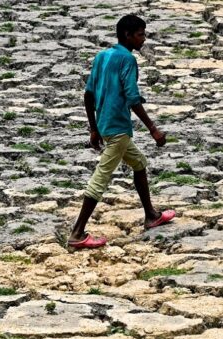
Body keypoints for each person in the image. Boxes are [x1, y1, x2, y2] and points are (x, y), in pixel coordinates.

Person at [67, 14, 176, 249]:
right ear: (127, 35)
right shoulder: (127, 59)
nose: (143, 39)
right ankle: (77, 233)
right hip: (118, 127)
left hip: (106, 126)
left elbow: (88, 94)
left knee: (139, 163)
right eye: (140, 34)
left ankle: (151, 215)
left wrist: (94, 128)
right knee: (101, 177)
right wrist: (153, 129)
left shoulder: (102, 56)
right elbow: (132, 97)